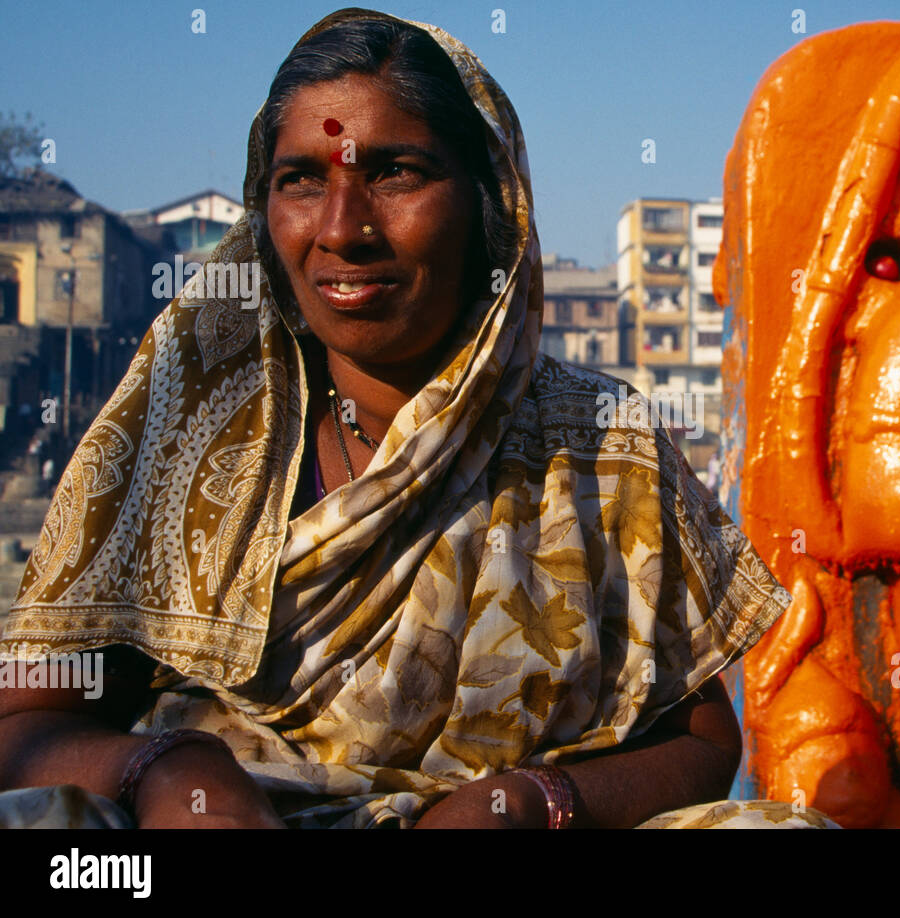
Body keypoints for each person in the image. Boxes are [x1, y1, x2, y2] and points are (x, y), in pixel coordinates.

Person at [0, 8, 817, 829]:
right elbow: (25, 726)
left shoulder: (604, 443)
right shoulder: (190, 440)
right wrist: (167, 769)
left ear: (488, 203)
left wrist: (527, 804)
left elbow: (705, 742)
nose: (341, 229)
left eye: (394, 173)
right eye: (302, 180)